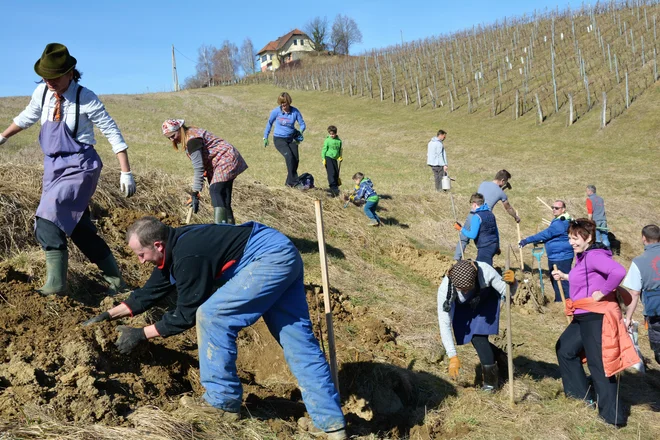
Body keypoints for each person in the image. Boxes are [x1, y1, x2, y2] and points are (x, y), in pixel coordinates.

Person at [83, 217, 347, 439]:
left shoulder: (189, 256)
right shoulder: (174, 248)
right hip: (281, 251)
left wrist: (141, 334)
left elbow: (186, 315)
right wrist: (108, 315)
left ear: (158, 245)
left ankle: (221, 402)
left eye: (141, 255)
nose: (140, 261)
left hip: (268, 258)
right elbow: (149, 292)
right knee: (297, 340)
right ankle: (330, 424)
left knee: (212, 315)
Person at [0, 43, 135, 296]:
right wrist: (3, 136)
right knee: (79, 228)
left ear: (71, 72)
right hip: (53, 167)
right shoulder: (42, 93)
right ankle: (117, 282)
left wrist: (125, 171)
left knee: (48, 219)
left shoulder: (85, 97)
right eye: (45, 77)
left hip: (81, 166)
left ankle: (56, 285)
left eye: (55, 77)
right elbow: (27, 116)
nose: (49, 82)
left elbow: (112, 132)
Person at [552, 219, 639, 427]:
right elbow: (586, 279)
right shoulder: (582, 257)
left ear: (589, 237)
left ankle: (612, 417)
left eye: (575, 238)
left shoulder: (594, 256)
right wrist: (565, 276)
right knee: (565, 349)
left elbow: (617, 272)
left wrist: (604, 291)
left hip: (597, 316)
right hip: (583, 315)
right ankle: (582, 397)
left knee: (600, 365)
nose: (571, 242)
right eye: (570, 237)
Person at [437, 260, 516, 391]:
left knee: (478, 337)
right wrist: (453, 356)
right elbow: (444, 324)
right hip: (463, 308)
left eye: (468, 288)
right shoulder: (445, 290)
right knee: (469, 336)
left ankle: (491, 385)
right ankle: (501, 359)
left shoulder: (485, 271)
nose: (465, 292)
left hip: (484, 302)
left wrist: (513, 283)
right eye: (461, 290)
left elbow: (507, 292)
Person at [161, 119, 247, 224]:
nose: (172, 140)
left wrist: (195, 192)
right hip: (226, 158)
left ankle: (221, 228)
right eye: (168, 138)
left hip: (225, 159)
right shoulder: (191, 132)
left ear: (180, 129)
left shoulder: (192, 141)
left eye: (173, 136)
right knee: (223, 196)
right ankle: (230, 227)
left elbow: (198, 168)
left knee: (215, 190)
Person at [454, 170, 519, 260]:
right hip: (485, 218)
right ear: (503, 180)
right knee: (486, 240)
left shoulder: (483, 184)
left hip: (472, 214)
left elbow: (488, 194)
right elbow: (508, 208)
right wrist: (516, 217)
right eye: (505, 182)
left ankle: (456, 259)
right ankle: (492, 252)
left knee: (463, 238)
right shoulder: (501, 193)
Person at [519, 200, 573, 302]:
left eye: (557, 208)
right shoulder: (560, 220)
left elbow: (546, 234)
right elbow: (553, 237)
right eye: (553, 207)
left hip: (561, 257)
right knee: (555, 279)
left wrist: (527, 240)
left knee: (561, 281)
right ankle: (559, 301)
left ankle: (567, 303)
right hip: (556, 255)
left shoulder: (561, 223)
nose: (554, 209)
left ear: (563, 209)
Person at [622, 224, 660, 365]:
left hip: (656, 311)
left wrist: (628, 318)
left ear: (644, 238)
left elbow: (634, 292)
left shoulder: (639, 262)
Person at [263, 92, 306, 188]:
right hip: (279, 139)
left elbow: (302, 124)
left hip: (291, 138)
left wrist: (300, 132)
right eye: (281, 103)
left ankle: (288, 183)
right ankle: (295, 182)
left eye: (285, 103)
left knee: (295, 160)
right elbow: (269, 123)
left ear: (289, 102)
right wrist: (265, 137)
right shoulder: (276, 112)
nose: (283, 105)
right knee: (289, 157)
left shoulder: (295, 112)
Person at [453, 193, 499, 265]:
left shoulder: (476, 217)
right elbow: (496, 232)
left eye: (472, 204)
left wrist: (461, 229)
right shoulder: (491, 214)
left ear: (474, 204)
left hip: (484, 248)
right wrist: (497, 246)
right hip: (494, 245)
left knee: (482, 271)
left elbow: (472, 235)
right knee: (486, 268)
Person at [321, 125, 343, 197]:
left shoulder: (339, 141)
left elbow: (340, 150)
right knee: (331, 173)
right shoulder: (327, 140)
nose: (332, 135)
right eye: (330, 134)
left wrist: (340, 156)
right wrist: (323, 158)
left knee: (336, 173)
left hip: (335, 159)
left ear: (336, 133)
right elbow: (324, 149)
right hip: (328, 157)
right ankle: (333, 187)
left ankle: (336, 186)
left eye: (333, 134)